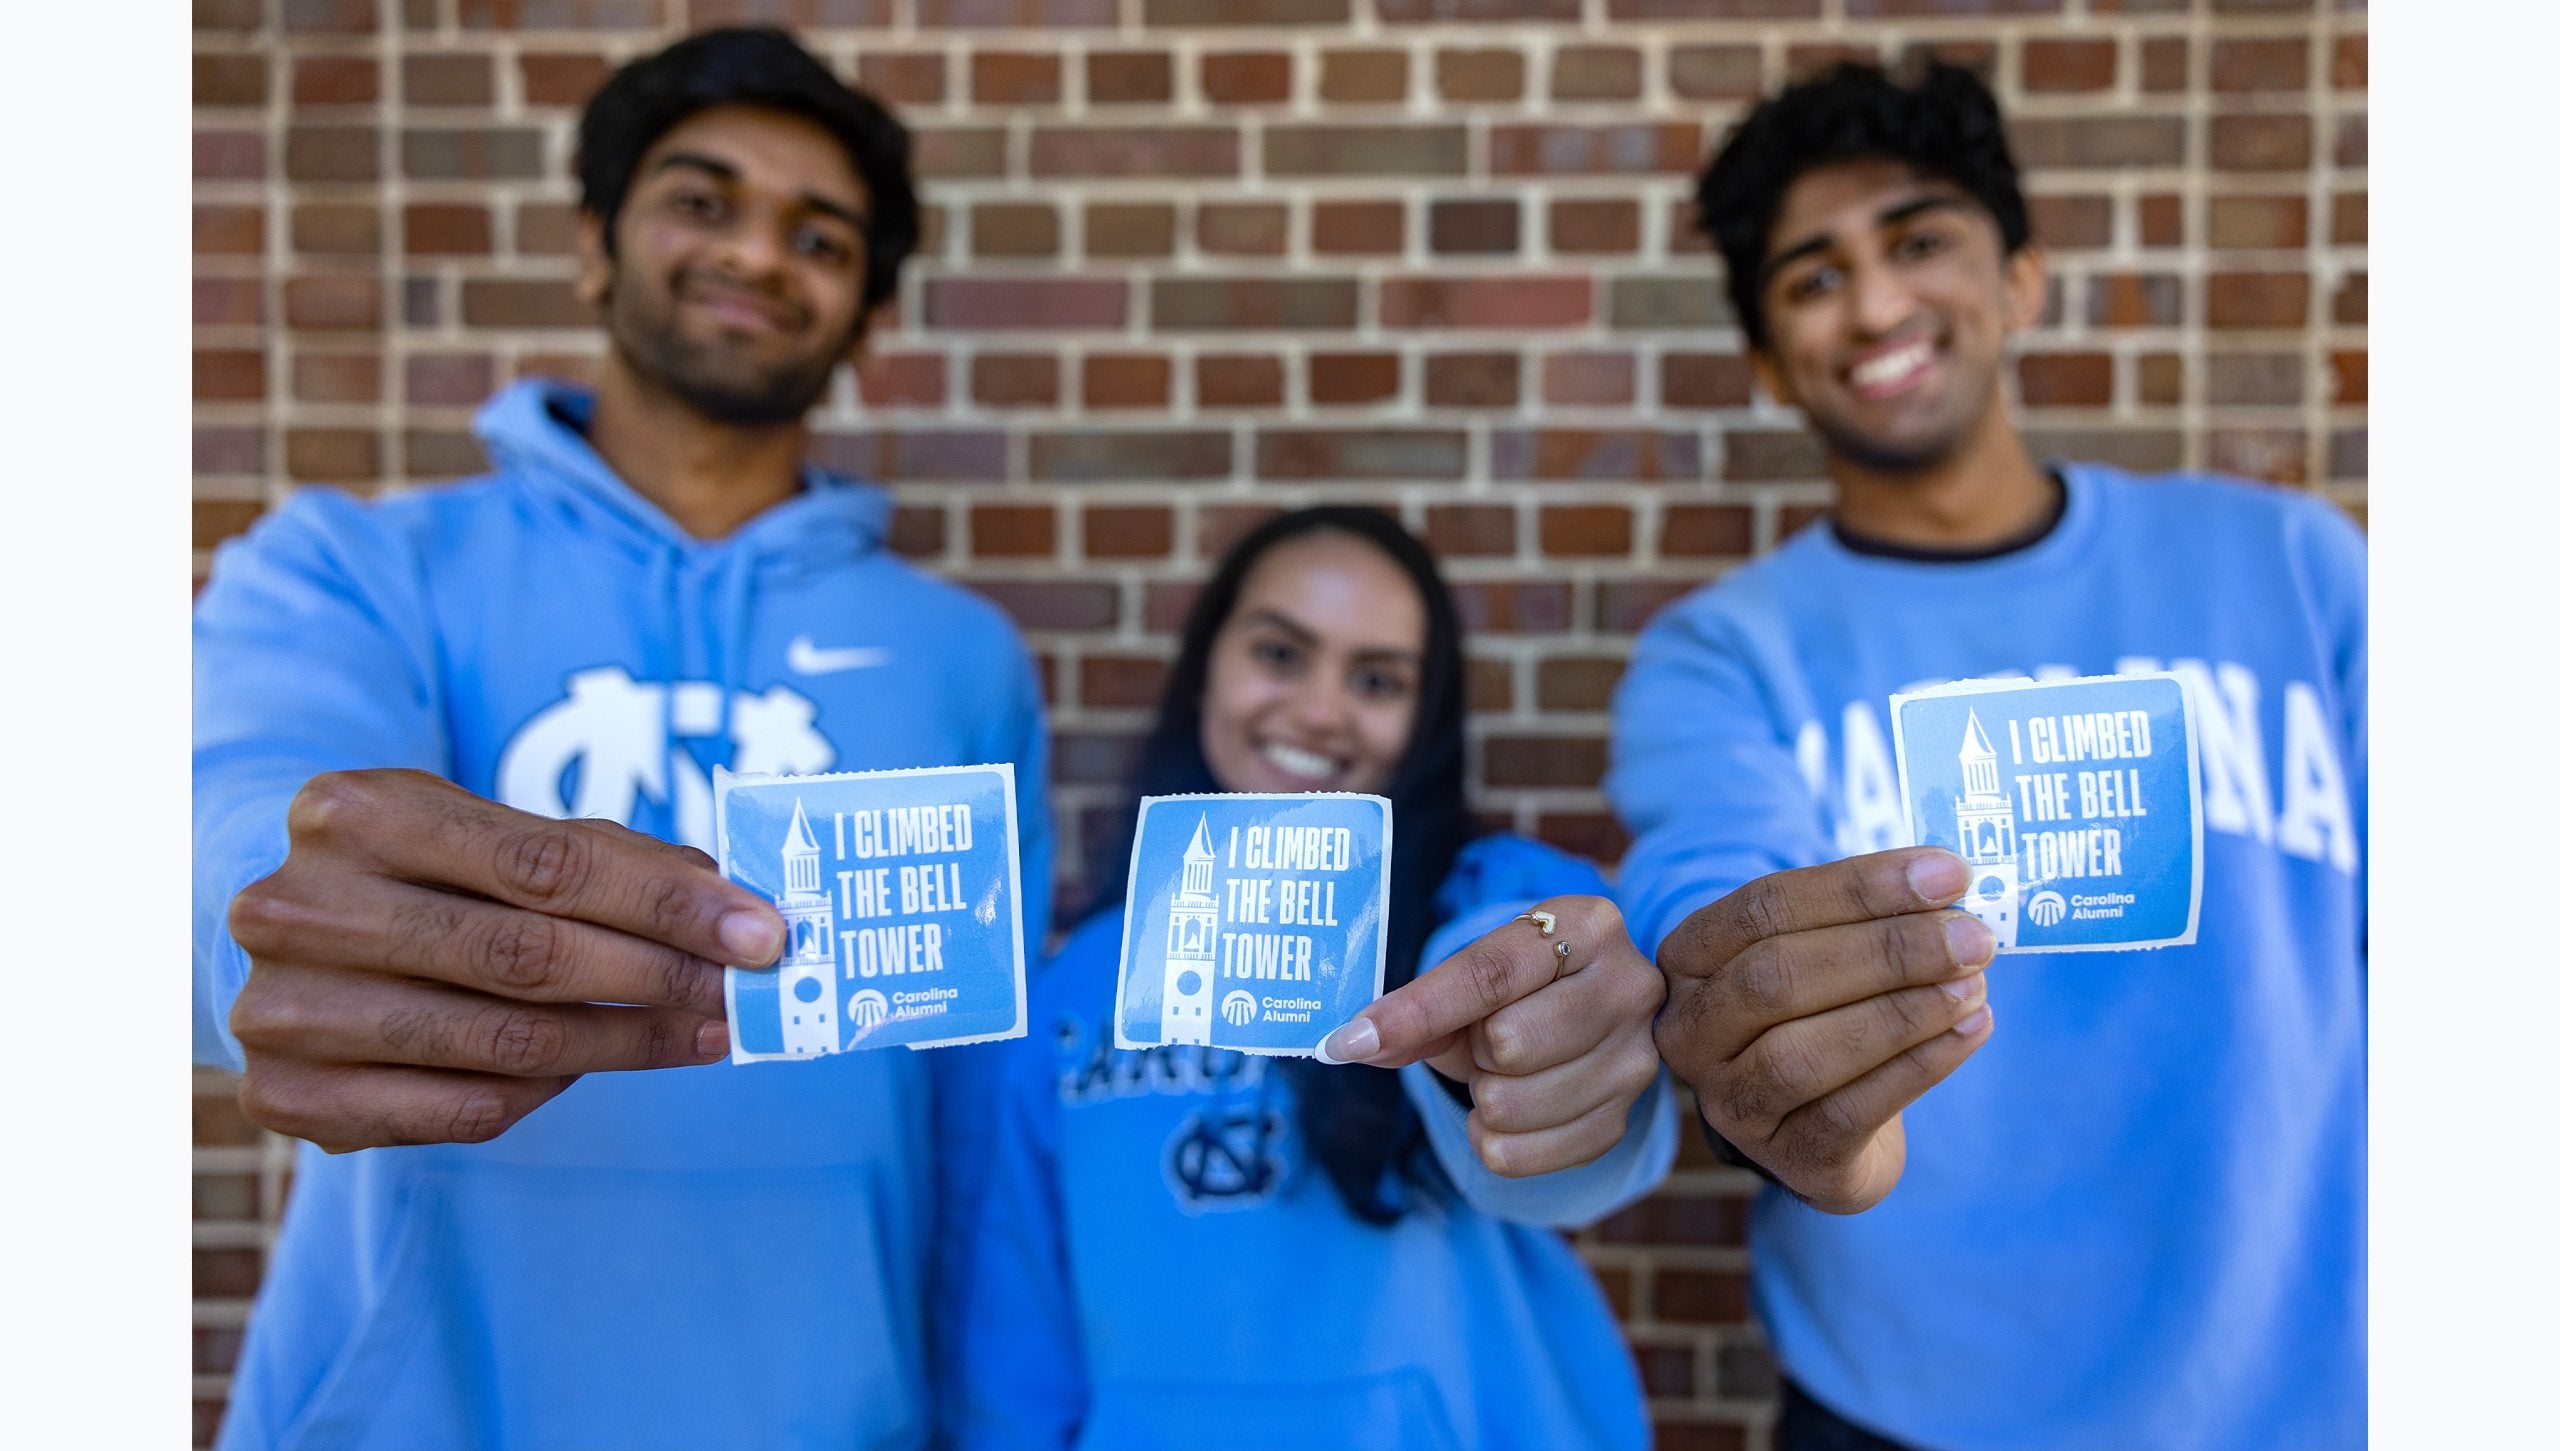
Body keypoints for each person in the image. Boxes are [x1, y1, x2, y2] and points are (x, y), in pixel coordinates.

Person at [192, 29, 1051, 1450]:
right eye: (703, 201)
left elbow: (976, 1106)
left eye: (820, 236)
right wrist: (256, 926)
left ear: (865, 316)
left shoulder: (963, 655)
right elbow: (240, 810)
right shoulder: (353, 568)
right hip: (419, 1408)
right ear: (598, 246)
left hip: (833, 1407)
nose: (760, 255)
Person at [1611, 60, 2366, 1451]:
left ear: (2020, 278)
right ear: (1772, 360)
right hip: (1900, 1408)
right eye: (1814, 276)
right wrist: (1780, 1074)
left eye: (1918, 240)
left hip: (2318, 1394)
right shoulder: (1720, 654)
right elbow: (1706, 893)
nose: (1881, 303)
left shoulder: (2296, 566)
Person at [933, 507, 1676, 1450]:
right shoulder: (1077, 979)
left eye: (1376, 679)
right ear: (1206, 669)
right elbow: (1016, 1335)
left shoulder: (1496, 900)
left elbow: (1574, 1137)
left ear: (1423, 719)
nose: (1321, 710)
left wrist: (1525, 1038)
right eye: (1281, 654)